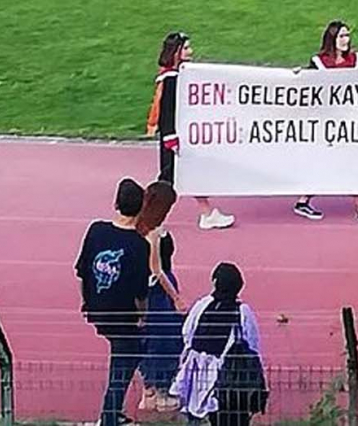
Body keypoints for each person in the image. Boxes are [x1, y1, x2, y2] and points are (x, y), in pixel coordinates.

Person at [294, 21, 358, 224]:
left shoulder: (357, 60)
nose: (346, 40)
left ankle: (303, 201)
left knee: (335, 163)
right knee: (346, 163)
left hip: (350, 123)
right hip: (327, 124)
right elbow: (304, 86)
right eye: (342, 36)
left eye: (347, 36)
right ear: (332, 39)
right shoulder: (319, 63)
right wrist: (295, 76)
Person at [75, 178, 151, 426]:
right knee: (128, 356)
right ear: (141, 208)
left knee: (124, 355)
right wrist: (142, 317)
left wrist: (86, 301)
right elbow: (140, 291)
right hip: (122, 316)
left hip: (96, 307)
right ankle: (109, 416)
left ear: (116, 203)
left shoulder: (96, 230)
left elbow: (82, 270)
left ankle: (112, 411)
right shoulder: (140, 245)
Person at [145, 31, 236, 230]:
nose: (190, 52)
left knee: (185, 176)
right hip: (174, 139)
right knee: (167, 183)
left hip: (178, 137)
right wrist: (171, 139)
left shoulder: (177, 76)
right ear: (176, 52)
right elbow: (168, 111)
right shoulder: (171, 79)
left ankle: (207, 213)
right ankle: (146, 219)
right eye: (186, 48)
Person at [171, 263, 266, 426]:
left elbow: (187, 332)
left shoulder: (202, 305)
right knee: (231, 416)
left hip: (197, 368)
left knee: (196, 414)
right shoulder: (242, 311)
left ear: (214, 282)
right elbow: (252, 342)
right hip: (229, 373)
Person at [136, 181, 184, 415]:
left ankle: (149, 391)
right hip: (159, 291)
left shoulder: (138, 225)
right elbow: (156, 270)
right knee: (164, 338)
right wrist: (175, 297)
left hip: (145, 291)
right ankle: (162, 393)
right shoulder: (154, 232)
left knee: (147, 339)